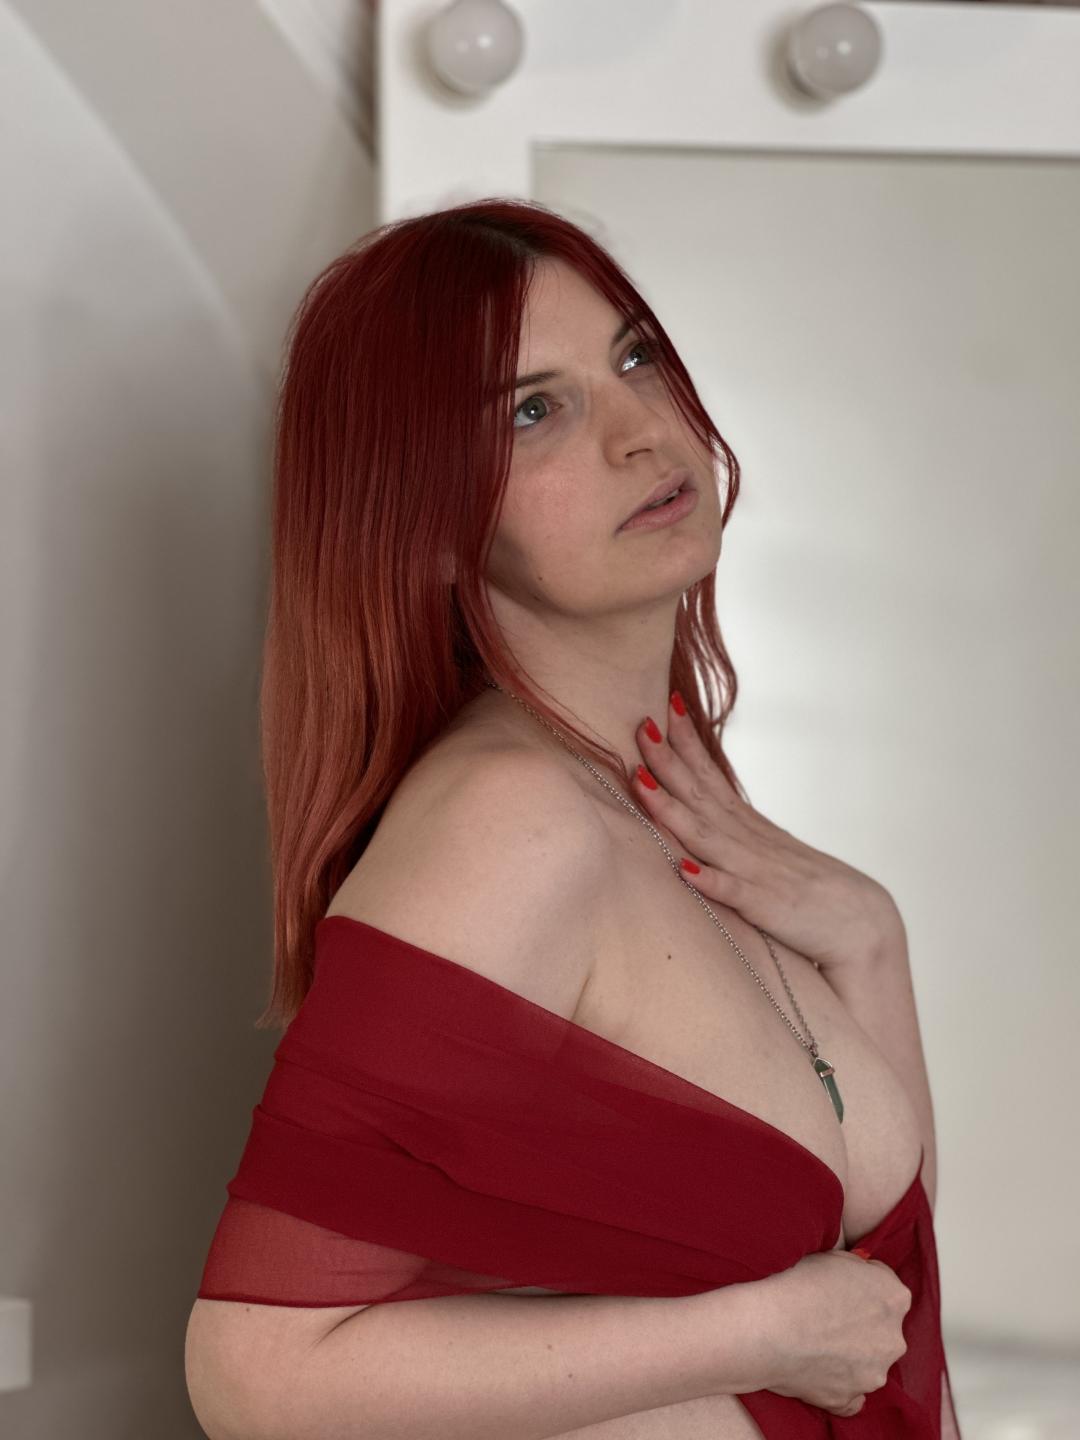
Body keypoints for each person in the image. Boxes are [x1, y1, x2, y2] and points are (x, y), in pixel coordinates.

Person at [185, 197, 961, 1439]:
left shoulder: (672, 799)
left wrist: (872, 940)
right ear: (426, 523)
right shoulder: (509, 824)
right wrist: (755, 1335)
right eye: (533, 411)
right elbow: (255, 1373)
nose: (641, 430)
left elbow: (882, 1309)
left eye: (634, 355)